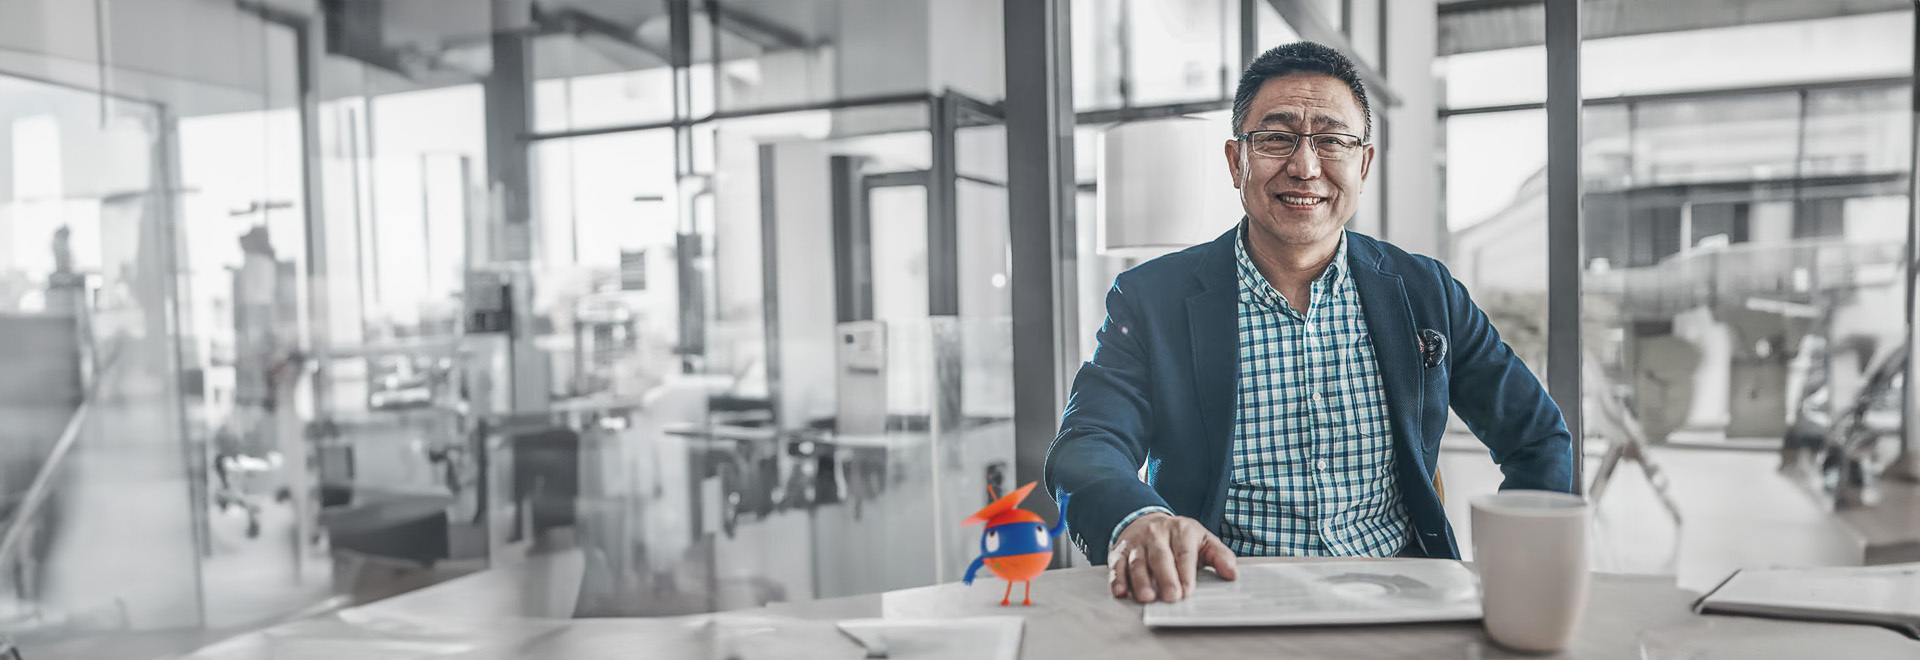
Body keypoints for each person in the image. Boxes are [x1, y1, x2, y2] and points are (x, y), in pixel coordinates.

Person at [1045, 42, 1575, 604]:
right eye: (1276, 138)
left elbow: (1538, 437)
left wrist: (1519, 568)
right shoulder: (1152, 298)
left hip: (1399, 603)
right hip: (1218, 601)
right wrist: (1138, 518)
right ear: (1235, 161)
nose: (1304, 166)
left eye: (1332, 140)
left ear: (1363, 163)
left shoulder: (1426, 292)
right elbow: (1087, 442)